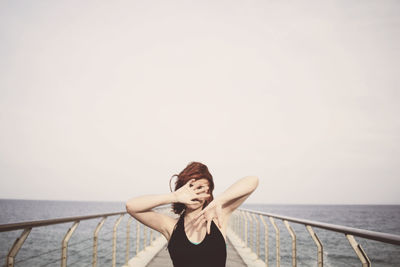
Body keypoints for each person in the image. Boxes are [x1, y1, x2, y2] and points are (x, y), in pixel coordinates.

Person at [125, 161, 259, 267]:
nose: (195, 194)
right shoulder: (171, 226)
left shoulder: (220, 217)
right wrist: (174, 196)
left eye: (201, 188)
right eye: (190, 188)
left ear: (209, 192)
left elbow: (252, 181)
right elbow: (131, 206)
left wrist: (219, 200)